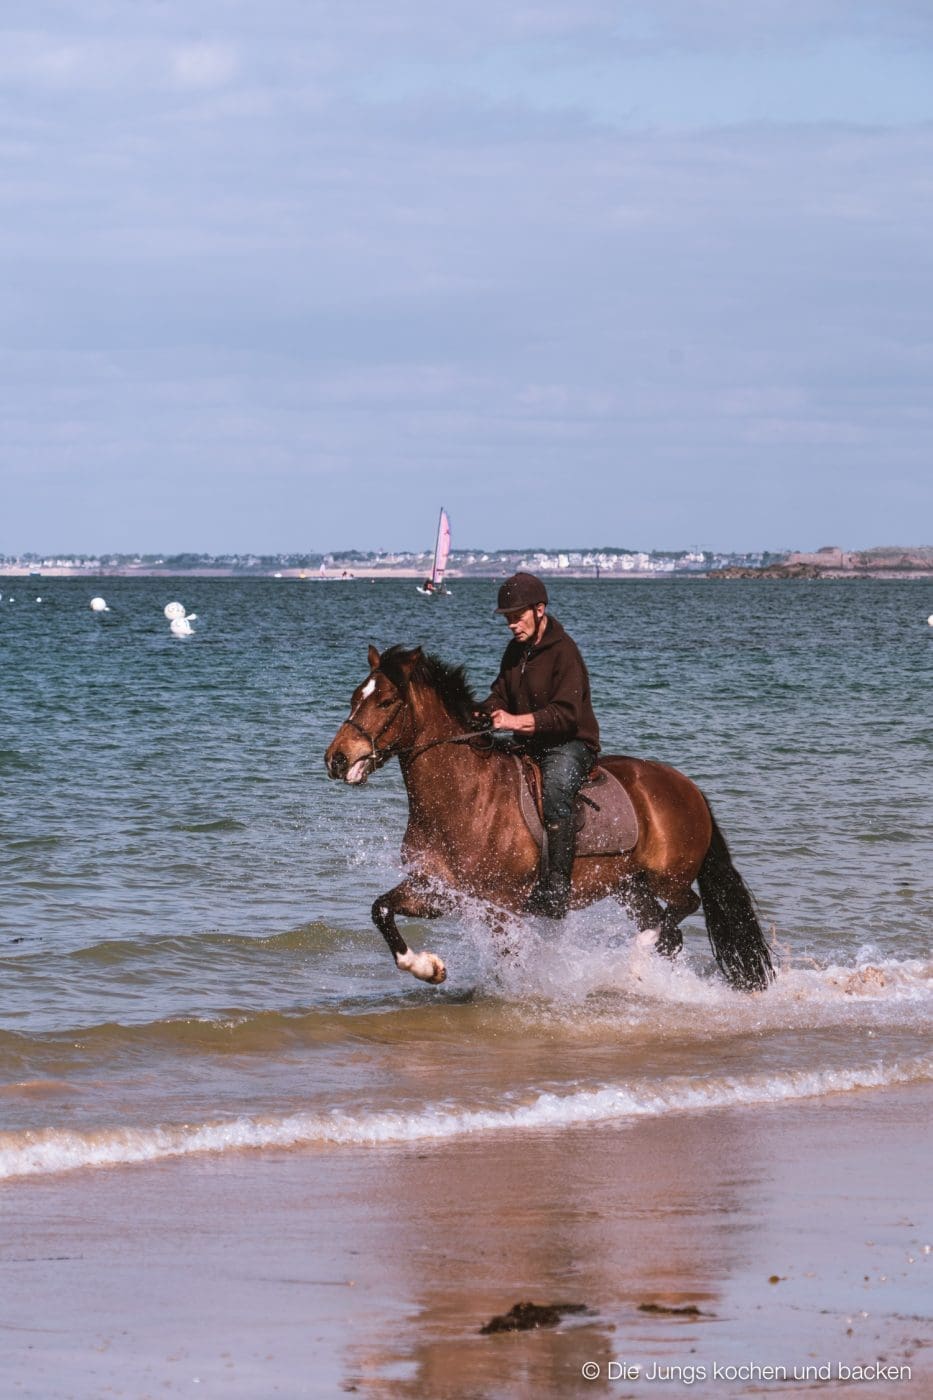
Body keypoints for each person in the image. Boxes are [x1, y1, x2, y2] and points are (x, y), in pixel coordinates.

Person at [479, 572, 600, 917]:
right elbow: (499, 695)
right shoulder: (516, 650)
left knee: (557, 789)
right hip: (531, 744)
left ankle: (557, 889)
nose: (511, 625)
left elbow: (566, 716)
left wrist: (513, 722)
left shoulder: (565, 653)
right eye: (507, 619)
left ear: (540, 610)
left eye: (517, 617)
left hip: (570, 743)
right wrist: (481, 713)